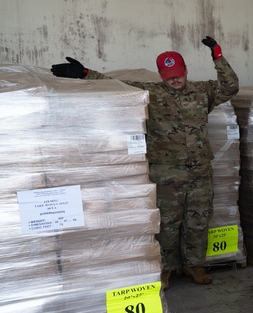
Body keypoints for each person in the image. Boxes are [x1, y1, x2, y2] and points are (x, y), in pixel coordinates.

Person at [51, 37, 240, 291]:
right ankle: (165, 269)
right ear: (161, 75)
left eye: (178, 74)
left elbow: (230, 87)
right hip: (166, 172)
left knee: (198, 219)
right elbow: (116, 85)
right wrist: (85, 73)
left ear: (185, 71)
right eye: (168, 75)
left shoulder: (202, 92)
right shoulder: (151, 92)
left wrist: (218, 56)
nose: (174, 80)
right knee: (168, 224)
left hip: (200, 171)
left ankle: (194, 265)